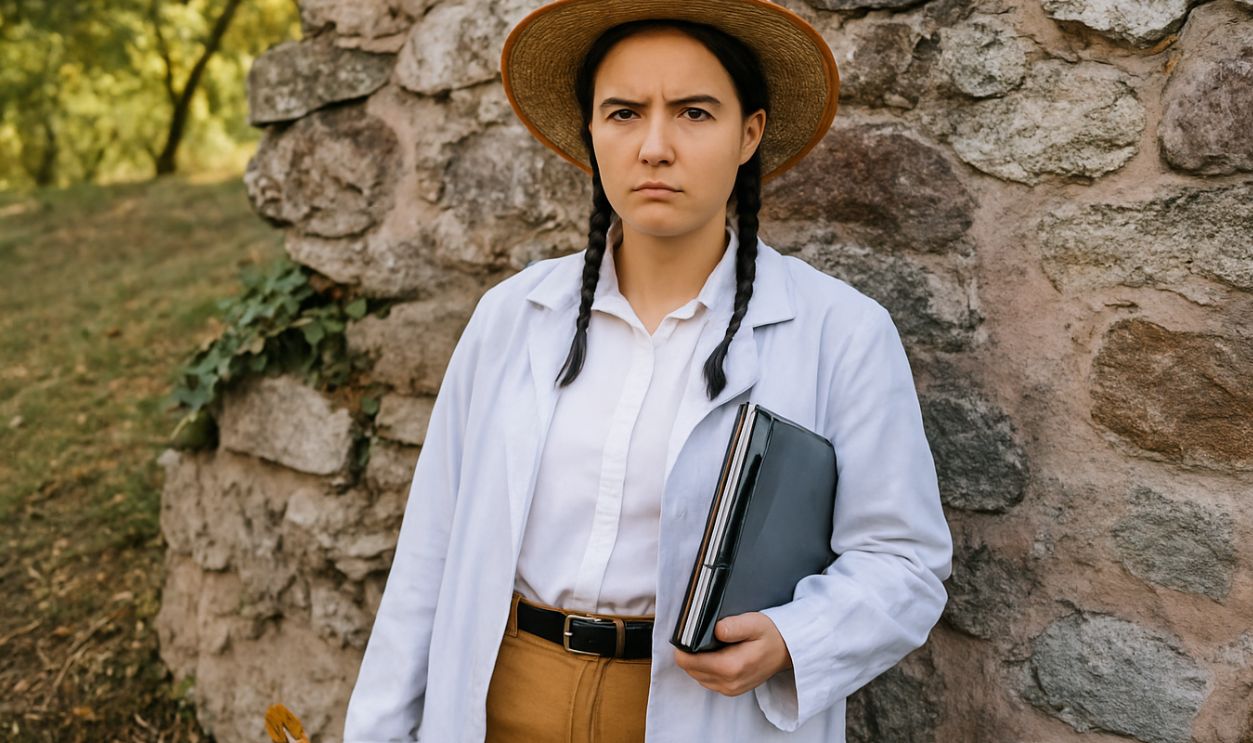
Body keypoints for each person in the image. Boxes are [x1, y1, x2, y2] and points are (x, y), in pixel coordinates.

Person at [343, 1, 953, 741]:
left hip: (701, 713)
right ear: (590, 132)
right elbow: (429, 552)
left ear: (747, 133)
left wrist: (797, 636)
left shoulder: (840, 333)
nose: (655, 146)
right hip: (501, 697)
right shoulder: (513, 316)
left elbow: (904, 561)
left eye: (694, 113)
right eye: (624, 113)